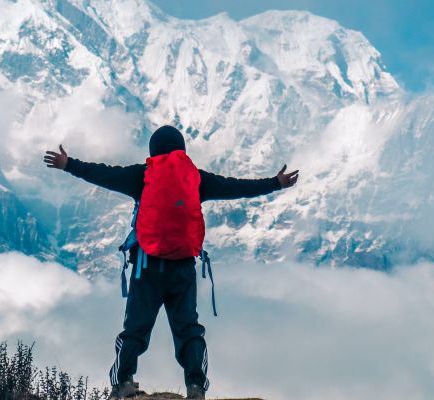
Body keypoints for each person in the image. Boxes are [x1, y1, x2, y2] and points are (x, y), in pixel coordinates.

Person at [44, 125, 299, 400]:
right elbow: (236, 187)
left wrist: (68, 164)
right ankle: (196, 387)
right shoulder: (196, 179)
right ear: (182, 150)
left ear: (153, 150)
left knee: (135, 329)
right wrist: (275, 183)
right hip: (183, 267)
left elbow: (104, 173)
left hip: (146, 266)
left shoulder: (141, 176)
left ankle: (123, 384)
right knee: (188, 330)